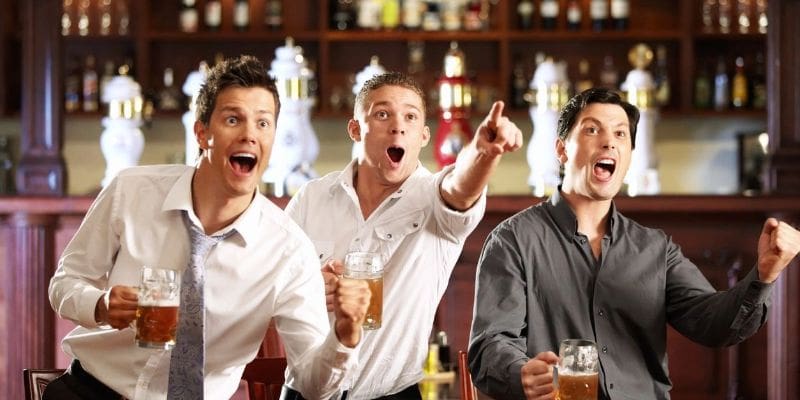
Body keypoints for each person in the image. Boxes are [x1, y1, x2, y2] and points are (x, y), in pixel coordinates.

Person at [46, 55, 370, 400]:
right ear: (202, 133)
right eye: (233, 119)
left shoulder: (289, 250)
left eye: (263, 123)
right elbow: (64, 285)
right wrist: (100, 304)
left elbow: (313, 384)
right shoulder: (131, 191)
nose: (249, 134)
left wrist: (346, 335)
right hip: (91, 392)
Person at [467, 87, 800, 400]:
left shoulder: (655, 248)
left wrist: (764, 274)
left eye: (620, 134)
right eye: (592, 130)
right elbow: (490, 346)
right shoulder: (513, 240)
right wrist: (521, 372)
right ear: (561, 149)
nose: (609, 143)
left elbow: (714, 325)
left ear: (628, 155)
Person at [284, 72, 523, 399]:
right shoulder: (311, 197)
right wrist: (306, 287)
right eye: (382, 114)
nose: (398, 126)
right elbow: (271, 284)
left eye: (410, 116)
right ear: (355, 129)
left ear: (424, 135)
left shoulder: (433, 201)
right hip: (306, 391)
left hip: (395, 393)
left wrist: (483, 153)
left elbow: (460, 188)